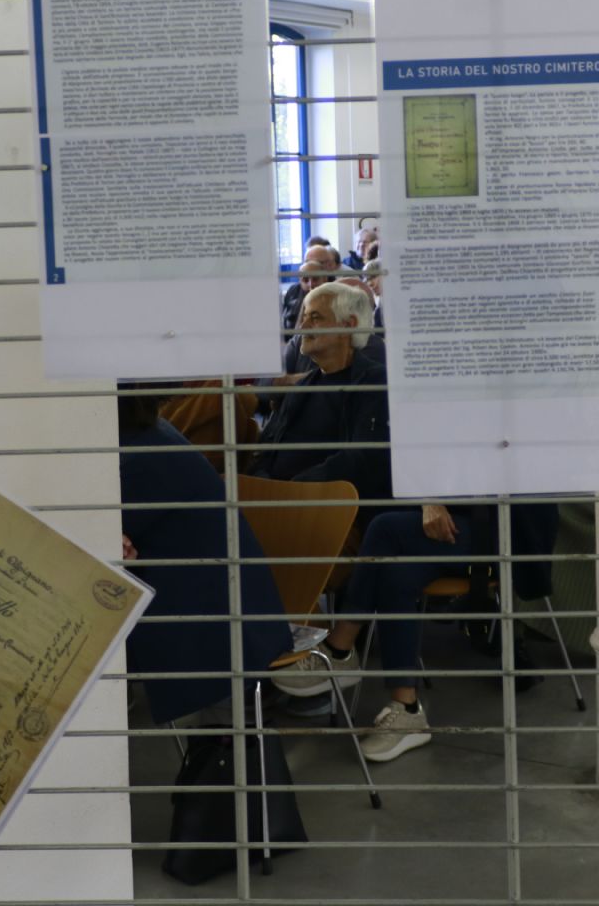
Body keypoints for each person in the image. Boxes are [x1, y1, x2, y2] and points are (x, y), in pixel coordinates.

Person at [269, 501, 560, 764]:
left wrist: (431, 500)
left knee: (385, 529)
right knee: (397, 573)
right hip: (460, 520)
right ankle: (407, 710)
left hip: (509, 529)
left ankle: (339, 649)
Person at [117, 385, 291, 725]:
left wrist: (112, 540)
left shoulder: (138, 457)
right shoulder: (148, 436)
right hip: (228, 614)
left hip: (219, 634)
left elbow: (94, 539)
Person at [248, 281, 391, 504]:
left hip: (325, 507)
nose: (302, 327)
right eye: (304, 317)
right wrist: (262, 485)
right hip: (275, 499)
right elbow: (268, 447)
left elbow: (361, 458)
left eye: (315, 318)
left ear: (348, 325)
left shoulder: (374, 383)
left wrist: (292, 489)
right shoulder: (304, 387)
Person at [279, 243, 341, 350]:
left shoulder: (337, 292)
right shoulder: (293, 291)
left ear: (330, 265)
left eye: (318, 263)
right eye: (307, 262)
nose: (311, 284)